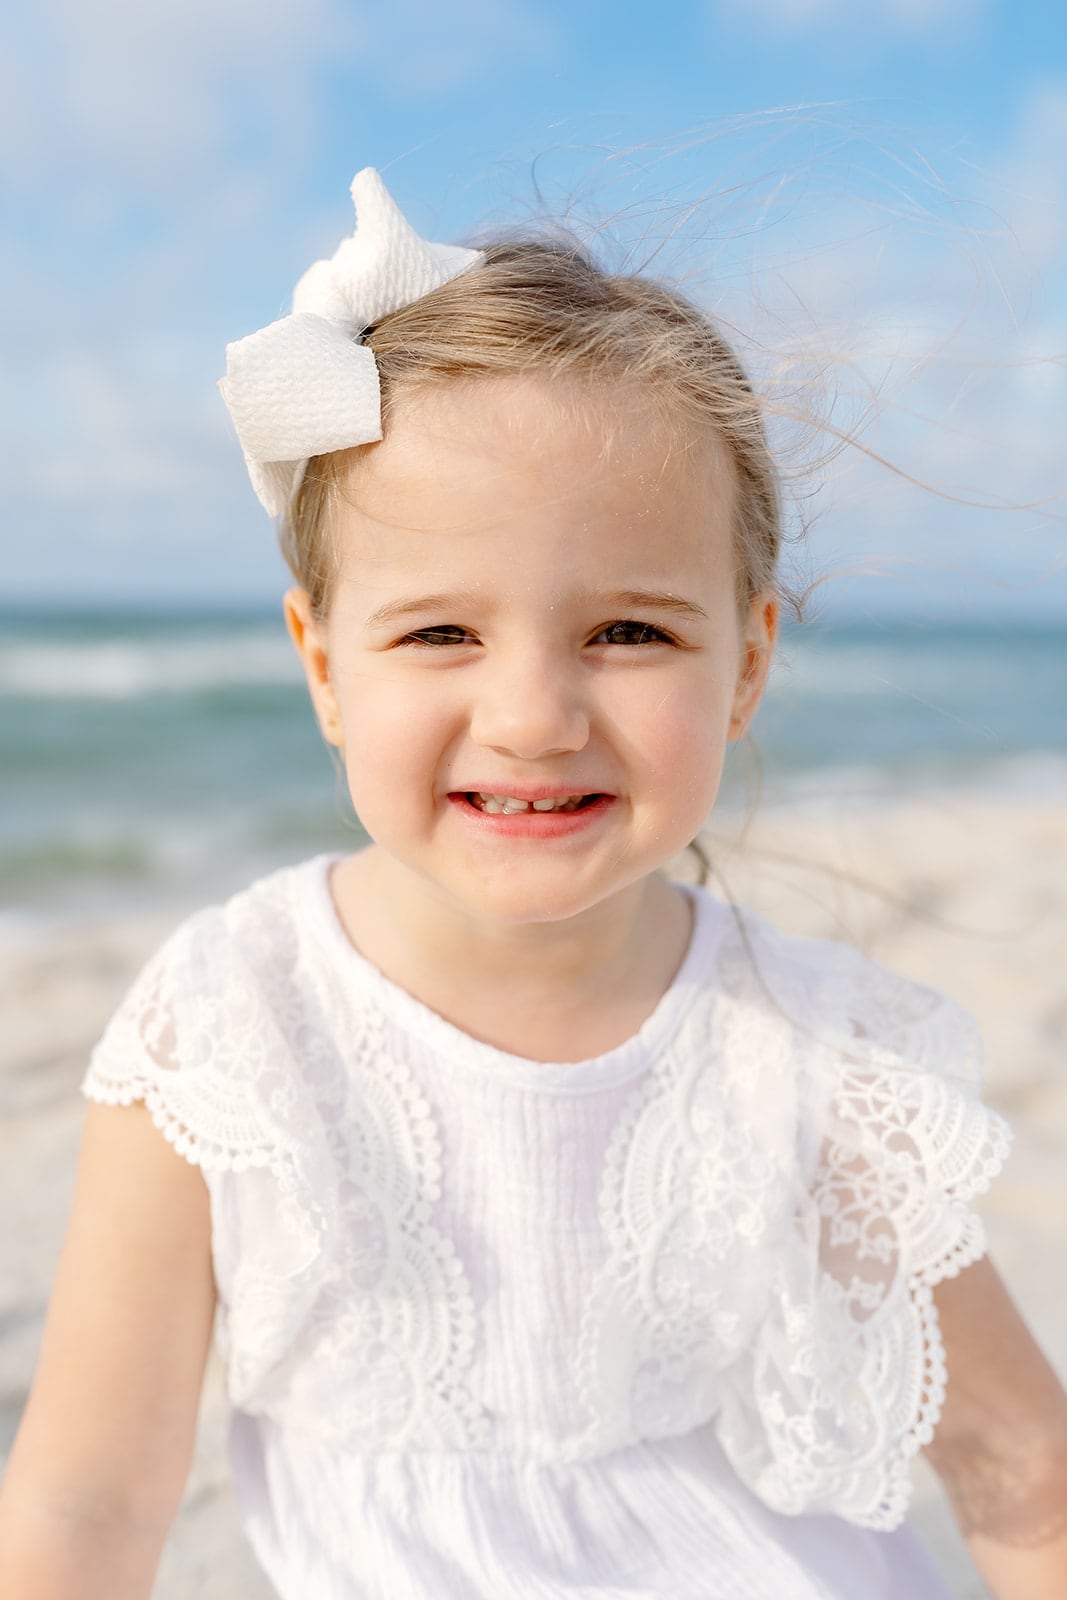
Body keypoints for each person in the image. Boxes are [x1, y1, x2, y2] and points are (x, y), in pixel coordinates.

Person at [0, 168, 1065, 1600]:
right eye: (440, 631)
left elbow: (1025, 1478)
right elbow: (86, 1510)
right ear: (323, 666)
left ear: (744, 664)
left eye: (628, 630)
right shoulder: (228, 1028)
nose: (534, 716)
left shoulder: (813, 1055)